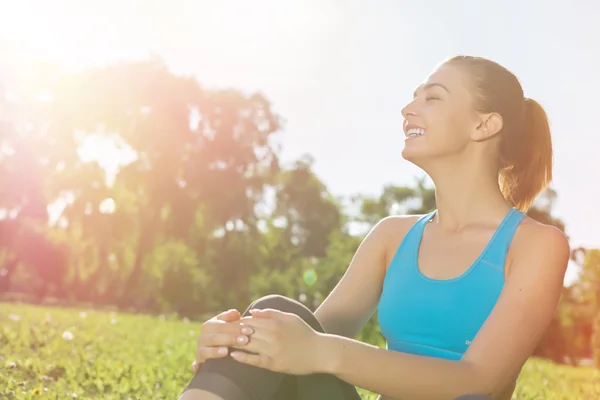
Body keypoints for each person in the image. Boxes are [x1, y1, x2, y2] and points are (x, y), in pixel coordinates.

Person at [178, 55, 570, 400]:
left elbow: (479, 382)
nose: (407, 109)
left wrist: (320, 350)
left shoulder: (537, 244)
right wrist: (242, 341)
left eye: (432, 97)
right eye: (414, 96)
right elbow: (306, 337)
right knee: (271, 313)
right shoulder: (391, 236)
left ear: (484, 125)